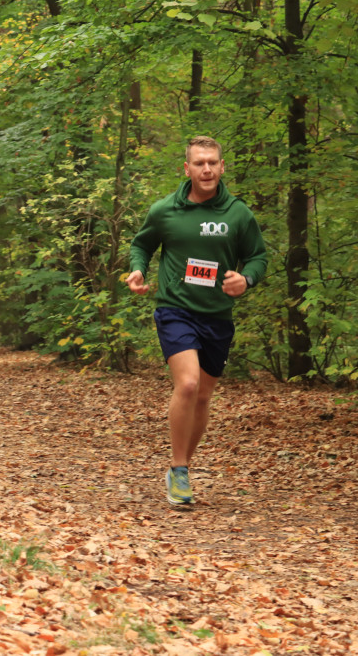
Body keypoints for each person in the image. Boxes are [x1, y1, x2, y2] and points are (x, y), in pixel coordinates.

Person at [126, 136, 267, 505]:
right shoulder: (164, 211)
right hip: (175, 308)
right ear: (186, 169)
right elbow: (142, 244)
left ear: (222, 168)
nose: (206, 169)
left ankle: (183, 465)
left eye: (212, 163)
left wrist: (245, 278)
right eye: (199, 163)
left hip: (217, 315)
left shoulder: (238, 214)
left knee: (203, 396)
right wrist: (137, 270)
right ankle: (179, 469)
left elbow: (258, 258)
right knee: (187, 385)